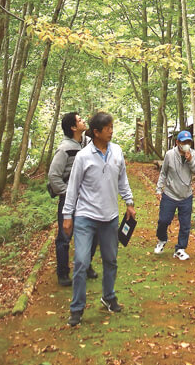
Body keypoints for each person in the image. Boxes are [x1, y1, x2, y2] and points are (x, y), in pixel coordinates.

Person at [62, 111, 136, 327]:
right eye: (108, 128)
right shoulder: (84, 156)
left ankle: (109, 297)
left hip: (110, 217)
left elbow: (123, 180)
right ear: (96, 132)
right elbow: (73, 188)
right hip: (86, 217)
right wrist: (68, 216)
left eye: (112, 127)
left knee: (111, 260)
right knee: (81, 262)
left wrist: (129, 203)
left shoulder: (117, 152)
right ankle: (77, 308)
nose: (111, 131)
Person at [48, 111, 98, 287]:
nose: (83, 120)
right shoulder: (64, 149)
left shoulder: (86, 143)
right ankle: (62, 273)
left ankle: (85, 266)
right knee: (64, 236)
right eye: (80, 120)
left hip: (88, 199)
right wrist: (69, 193)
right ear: (73, 127)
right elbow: (53, 177)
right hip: (69, 201)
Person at [154, 129, 195, 260]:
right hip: (170, 194)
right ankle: (162, 240)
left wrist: (191, 160)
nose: (186, 144)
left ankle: (180, 249)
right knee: (163, 221)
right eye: (183, 142)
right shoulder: (169, 155)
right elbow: (163, 173)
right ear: (177, 142)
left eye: (188, 142)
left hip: (186, 195)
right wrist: (159, 189)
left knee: (185, 224)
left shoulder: (193, 154)